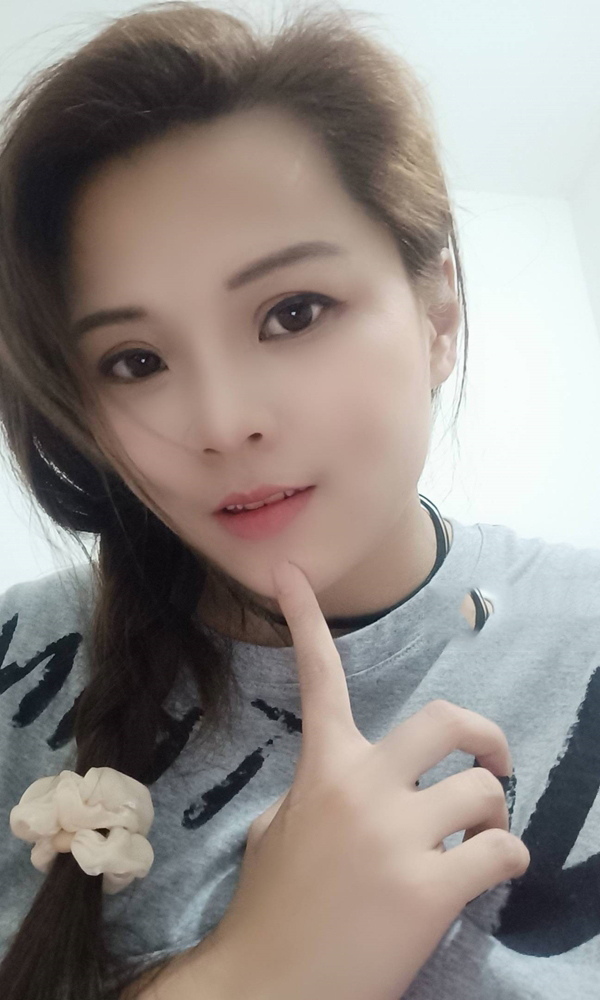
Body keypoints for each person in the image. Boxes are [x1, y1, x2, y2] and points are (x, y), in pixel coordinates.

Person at [0, 2, 597, 998]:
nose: (223, 422)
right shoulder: (18, 652)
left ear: (438, 312)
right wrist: (259, 972)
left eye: (293, 312)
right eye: (135, 360)